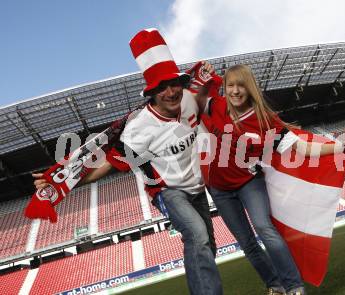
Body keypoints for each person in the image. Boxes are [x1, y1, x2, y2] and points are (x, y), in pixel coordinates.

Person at [33, 29, 222, 295]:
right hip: (168, 191)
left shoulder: (190, 100)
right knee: (197, 235)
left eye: (174, 83)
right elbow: (107, 165)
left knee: (208, 246)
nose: (170, 92)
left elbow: (213, 99)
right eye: (161, 87)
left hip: (197, 189)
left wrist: (208, 76)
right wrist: (64, 182)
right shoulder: (138, 129)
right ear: (151, 93)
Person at [198, 64, 345, 295]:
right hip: (219, 190)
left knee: (264, 227)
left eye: (241, 85)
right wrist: (205, 76)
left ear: (250, 89)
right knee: (247, 242)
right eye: (230, 85)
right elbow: (194, 100)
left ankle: (294, 287)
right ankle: (275, 286)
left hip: (249, 183)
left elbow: (303, 149)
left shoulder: (265, 121)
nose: (235, 91)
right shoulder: (217, 106)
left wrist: (344, 145)